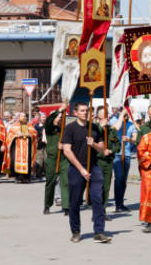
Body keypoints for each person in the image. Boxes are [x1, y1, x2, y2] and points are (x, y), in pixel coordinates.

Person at [62, 102, 111, 243]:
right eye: (82, 111)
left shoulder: (94, 128)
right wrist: (81, 169)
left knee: (97, 199)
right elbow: (67, 150)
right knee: (75, 201)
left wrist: (93, 144)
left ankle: (99, 231)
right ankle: (76, 231)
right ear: (75, 112)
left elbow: (102, 149)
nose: (85, 113)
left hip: (93, 166)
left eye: (87, 111)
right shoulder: (70, 128)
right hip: (77, 168)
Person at [43, 104, 70, 216]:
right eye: (59, 117)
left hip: (64, 159)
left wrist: (64, 145)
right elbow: (48, 121)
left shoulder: (65, 129)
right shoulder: (50, 128)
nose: (61, 119)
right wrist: (59, 110)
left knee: (65, 182)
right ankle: (47, 205)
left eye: (62, 117)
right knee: (50, 182)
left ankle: (66, 206)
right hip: (52, 159)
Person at [96, 105, 121, 220]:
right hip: (97, 161)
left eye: (107, 114)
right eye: (103, 114)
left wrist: (111, 150)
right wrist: (101, 127)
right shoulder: (94, 129)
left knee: (106, 187)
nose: (106, 116)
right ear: (98, 116)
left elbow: (118, 145)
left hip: (108, 162)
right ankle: (96, 211)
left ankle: (103, 211)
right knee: (97, 187)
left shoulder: (111, 130)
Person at [112, 108, 137, 212]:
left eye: (127, 114)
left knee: (124, 180)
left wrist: (129, 139)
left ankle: (121, 203)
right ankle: (117, 204)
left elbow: (135, 139)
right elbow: (115, 129)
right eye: (124, 113)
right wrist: (121, 116)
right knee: (119, 178)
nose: (126, 115)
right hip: (117, 154)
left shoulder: (131, 124)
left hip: (126, 155)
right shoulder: (114, 121)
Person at [4, 112, 38, 183]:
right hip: (17, 147)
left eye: (25, 116)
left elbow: (35, 133)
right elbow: (9, 136)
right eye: (22, 116)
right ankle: (18, 177)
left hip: (27, 147)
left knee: (27, 162)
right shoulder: (14, 126)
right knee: (15, 162)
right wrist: (16, 135)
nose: (24, 117)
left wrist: (30, 135)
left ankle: (26, 178)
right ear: (19, 118)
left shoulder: (29, 126)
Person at [34, 113, 47, 180]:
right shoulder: (36, 126)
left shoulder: (48, 126)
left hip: (47, 145)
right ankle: (38, 175)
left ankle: (46, 174)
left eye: (44, 117)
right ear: (39, 118)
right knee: (39, 160)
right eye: (42, 117)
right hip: (39, 145)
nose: (44, 118)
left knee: (46, 159)